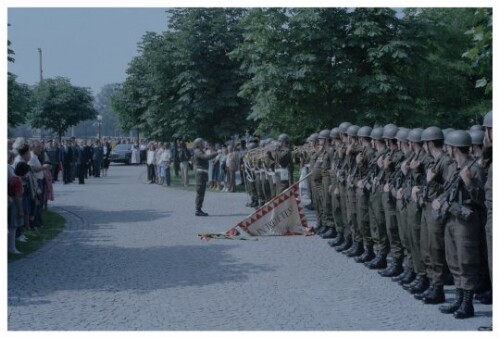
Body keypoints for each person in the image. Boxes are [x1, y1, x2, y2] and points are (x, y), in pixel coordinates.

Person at [8, 162, 31, 254]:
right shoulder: (17, 181)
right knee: (13, 226)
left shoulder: (13, 178)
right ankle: (11, 247)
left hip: (12, 202)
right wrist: (21, 210)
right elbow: (18, 196)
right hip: (15, 204)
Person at [192, 138, 219, 216]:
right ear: (198, 144)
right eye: (202, 143)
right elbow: (206, 157)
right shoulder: (197, 151)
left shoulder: (200, 151)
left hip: (202, 173)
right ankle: (198, 209)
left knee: (201, 192)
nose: (204, 144)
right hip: (200, 173)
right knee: (200, 191)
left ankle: (199, 209)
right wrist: (216, 153)